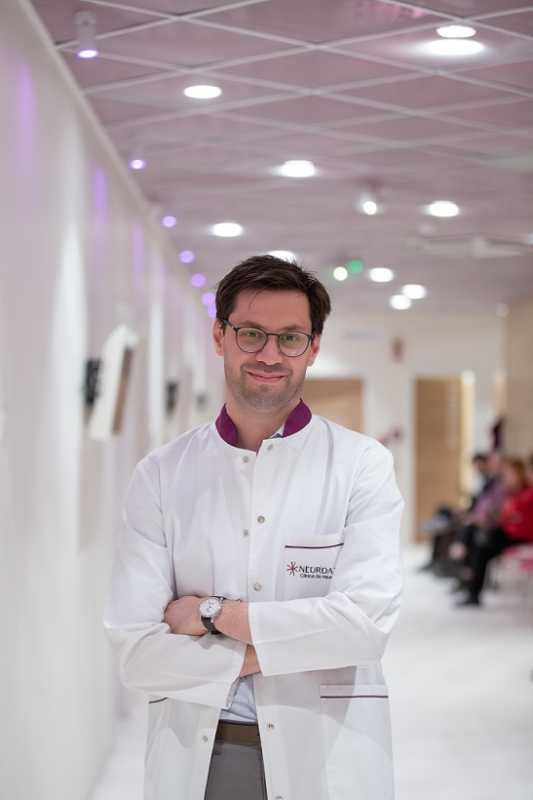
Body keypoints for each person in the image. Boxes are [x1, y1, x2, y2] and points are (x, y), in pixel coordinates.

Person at [103, 254, 405, 800]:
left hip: (326, 753)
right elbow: (135, 653)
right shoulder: (161, 475)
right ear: (220, 336)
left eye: (290, 338)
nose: (270, 354)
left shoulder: (362, 465)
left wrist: (213, 614)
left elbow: (364, 628)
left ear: (313, 347)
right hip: (204, 755)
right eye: (251, 333)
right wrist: (301, 644)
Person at [455, 457, 533, 607]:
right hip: (508, 533)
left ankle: (470, 587)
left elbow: (514, 517)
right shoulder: (511, 493)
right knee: (479, 543)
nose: (507, 479)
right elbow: (505, 515)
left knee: (481, 542)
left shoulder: (527, 493)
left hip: (520, 536)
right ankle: (469, 586)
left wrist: (507, 516)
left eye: (510, 475)